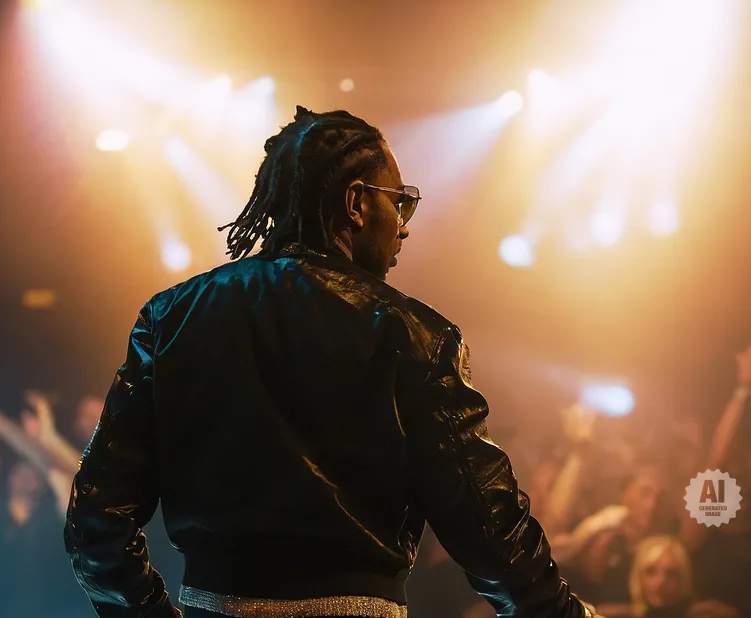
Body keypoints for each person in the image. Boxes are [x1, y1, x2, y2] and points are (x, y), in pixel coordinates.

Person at [64, 106, 601, 618]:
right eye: (401, 201)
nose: (406, 226)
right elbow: (489, 531)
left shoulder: (172, 318)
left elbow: (95, 523)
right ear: (356, 202)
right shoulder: (413, 335)